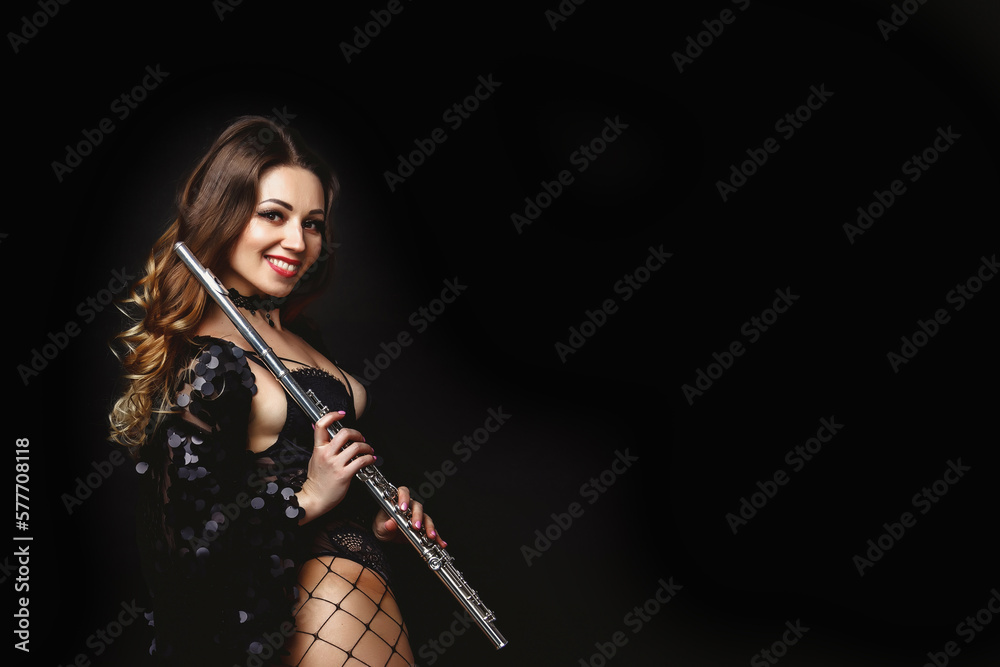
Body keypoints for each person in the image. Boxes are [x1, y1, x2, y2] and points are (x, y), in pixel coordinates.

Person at [108, 115, 445, 666]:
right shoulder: (208, 361)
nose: (299, 241)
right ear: (223, 217)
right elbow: (183, 546)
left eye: (313, 224)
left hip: (360, 597)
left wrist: (379, 514)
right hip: (305, 613)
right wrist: (309, 497)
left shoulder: (295, 333)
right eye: (274, 215)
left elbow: (296, 467)